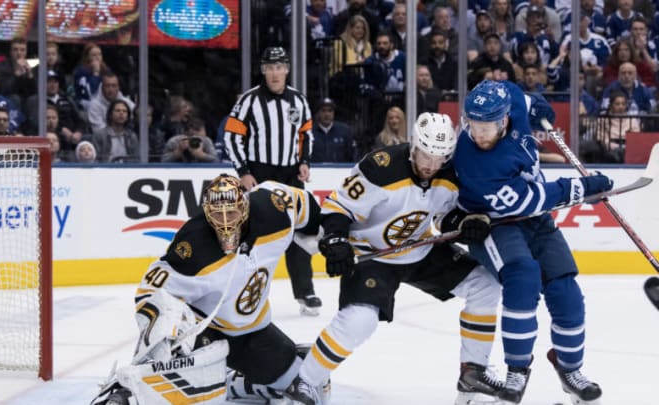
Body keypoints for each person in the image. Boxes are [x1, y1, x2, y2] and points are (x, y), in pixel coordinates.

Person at [286, 113, 504, 405]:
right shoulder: (381, 167)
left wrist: (465, 224)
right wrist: (336, 240)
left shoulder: (450, 174)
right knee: (359, 321)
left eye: (438, 158)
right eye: (425, 154)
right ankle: (306, 381)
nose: (430, 164)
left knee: (485, 286)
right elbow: (338, 206)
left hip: (419, 249)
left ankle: (472, 375)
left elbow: (446, 215)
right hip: (371, 254)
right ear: (414, 144)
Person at [91, 174, 323, 405]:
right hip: (202, 332)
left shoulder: (274, 210)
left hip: (250, 330)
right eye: (216, 214)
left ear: (244, 208)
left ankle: (236, 384)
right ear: (206, 212)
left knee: (306, 379)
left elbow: (307, 206)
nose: (225, 222)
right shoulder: (193, 245)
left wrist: (331, 234)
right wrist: (167, 337)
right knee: (183, 377)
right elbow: (149, 291)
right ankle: (125, 392)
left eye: (231, 213)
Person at [454, 80, 612, 404]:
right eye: (474, 125)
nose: (479, 134)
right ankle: (517, 370)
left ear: (504, 118)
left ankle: (570, 369)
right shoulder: (473, 161)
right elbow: (534, 199)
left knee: (566, 293)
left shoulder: (509, 97)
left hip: (537, 221)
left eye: (486, 127)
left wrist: (542, 109)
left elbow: (531, 103)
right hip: (493, 223)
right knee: (522, 277)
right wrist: (583, 189)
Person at [224, 46, 322, 316]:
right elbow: (232, 136)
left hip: (290, 175)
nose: (275, 73)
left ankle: (305, 291)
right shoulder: (249, 100)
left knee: (298, 233)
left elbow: (306, 135)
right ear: (263, 71)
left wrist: (305, 162)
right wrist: (243, 171)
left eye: (280, 67)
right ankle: (243, 291)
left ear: (287, 69)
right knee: (254, 233)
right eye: (270, 68)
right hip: (260, 173)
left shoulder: (298, 100)